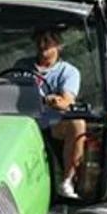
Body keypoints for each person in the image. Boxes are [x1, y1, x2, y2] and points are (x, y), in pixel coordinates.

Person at [12, 26, 85, 199]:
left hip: (51, 124)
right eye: (39, 39)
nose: (42, 44)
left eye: (48, 40)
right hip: (19, 121)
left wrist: (52, 100)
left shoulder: (68, 72)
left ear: (58, 45)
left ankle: (67, 181)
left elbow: (67, 101)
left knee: (77, 123)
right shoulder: (22, 66)